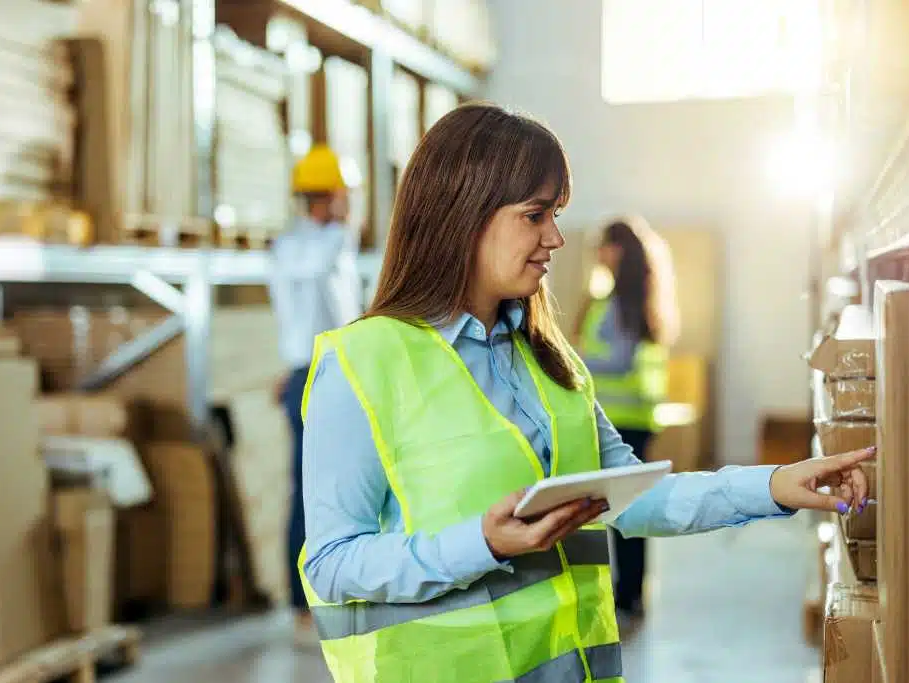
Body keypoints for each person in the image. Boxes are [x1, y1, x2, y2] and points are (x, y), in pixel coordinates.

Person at [299, 104, 873, 683]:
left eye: (556, 214)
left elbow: (638, 495)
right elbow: (332, 562)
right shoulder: (363, 363)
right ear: (463, 214)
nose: (555, 238)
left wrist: (775, 485)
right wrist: (481, 543)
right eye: (535, 215)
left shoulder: (549, 359)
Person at [268, 143, 363, 643]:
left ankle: (324, 594)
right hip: (314, 374)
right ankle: (304, 601)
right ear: (328, 196)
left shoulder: (313, 244)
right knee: (313, 491)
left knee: (332, 487)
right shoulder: (311, 245)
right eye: (342, 195)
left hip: (321, 372)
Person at [571, 217, 678, 619]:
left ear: (618, 250)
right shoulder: (631, 297)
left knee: (623, 509)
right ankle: (628, 589)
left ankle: (628, 592)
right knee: (626, 507)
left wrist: (570, 360)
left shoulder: (622, 302)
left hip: (621, 418)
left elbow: (618, 360)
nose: (598, 254)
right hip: (632, 416)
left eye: (604, 246)